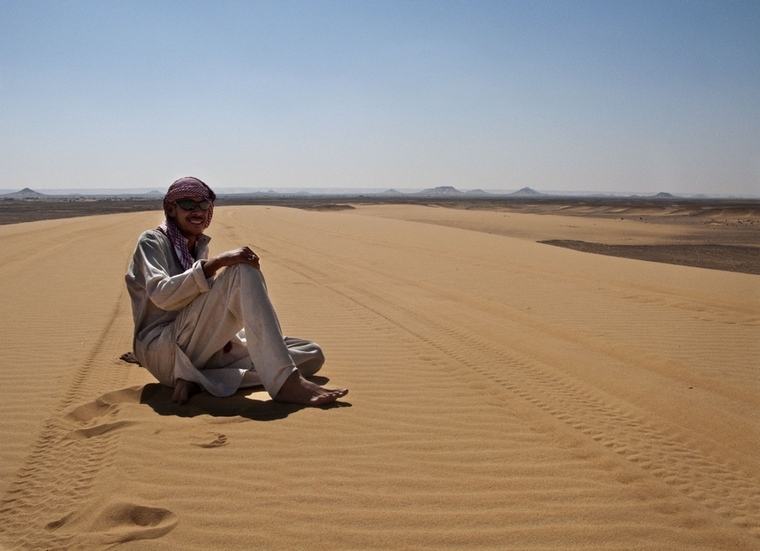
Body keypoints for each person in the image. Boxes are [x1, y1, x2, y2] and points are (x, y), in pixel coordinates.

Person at [125, 176, 347, 406]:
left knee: (311, 353)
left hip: (199, 348)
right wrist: (217, 262)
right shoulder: (151, 241)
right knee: (241, 270)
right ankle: (286, 383)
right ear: (171, 209)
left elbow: (200, 305)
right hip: (166, 350)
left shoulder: (197, 245)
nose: (198, 211)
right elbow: (162, 295)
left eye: (203, 205)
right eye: (188, 204)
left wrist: (225, 335)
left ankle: (200, 380)